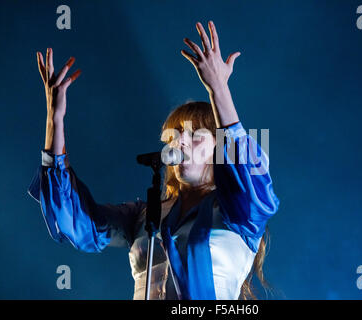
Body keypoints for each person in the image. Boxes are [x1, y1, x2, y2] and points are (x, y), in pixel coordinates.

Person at [28, 21, 280, 300]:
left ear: (219, 148)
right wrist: (55, 120)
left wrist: (218, 88)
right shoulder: (145, 214)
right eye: (176, 134)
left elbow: (251, 175)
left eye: (195, 134)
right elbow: (72, 221)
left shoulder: (239, 212)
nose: (180, 141)